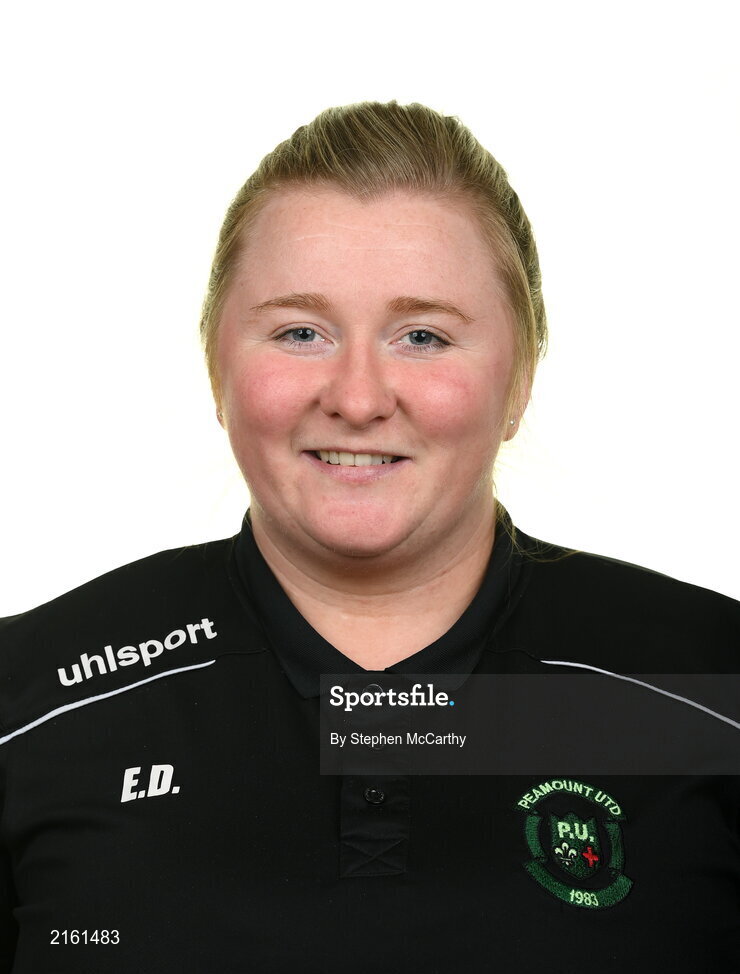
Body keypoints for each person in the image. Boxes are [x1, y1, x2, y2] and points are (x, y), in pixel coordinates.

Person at [1, 100, 738, 973]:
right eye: (300, 332)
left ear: (520, 375)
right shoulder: (30, 700)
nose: (356, 396)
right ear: (216, 366)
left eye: (423, 335)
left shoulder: (714, 688)